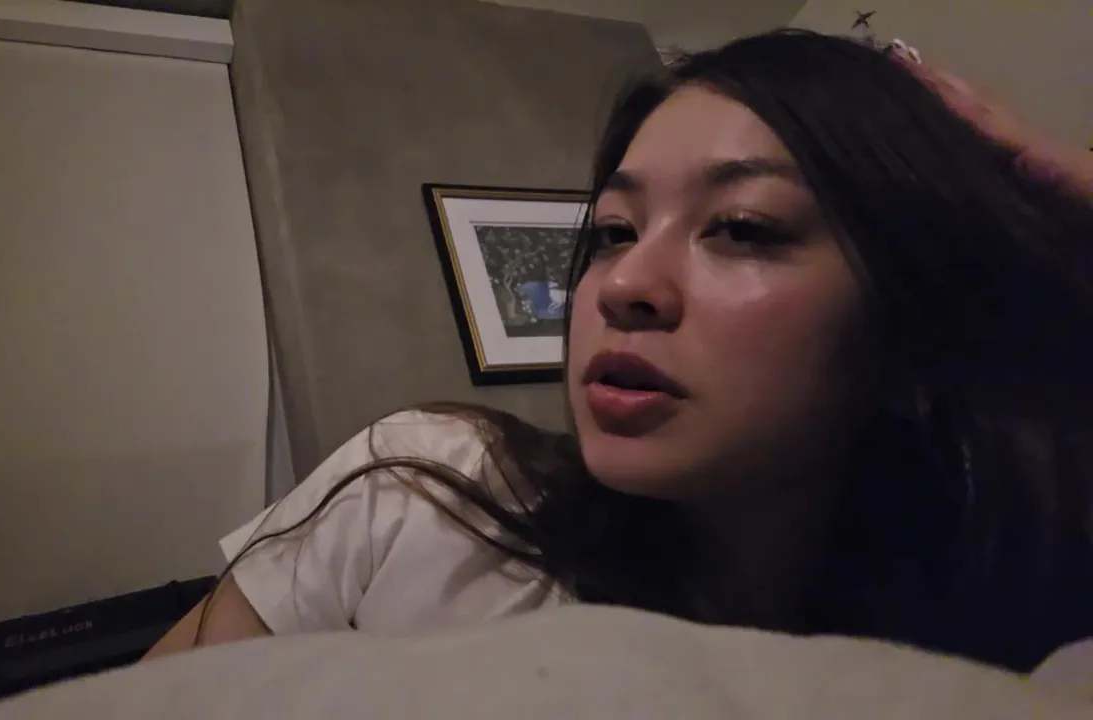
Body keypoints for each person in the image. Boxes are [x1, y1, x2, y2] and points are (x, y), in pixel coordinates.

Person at [146, 29, 1093, 673]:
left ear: (911, 312)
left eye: (743, 226)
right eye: (612, 232)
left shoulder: (996, 642)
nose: (623, 284)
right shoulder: (420, 497)